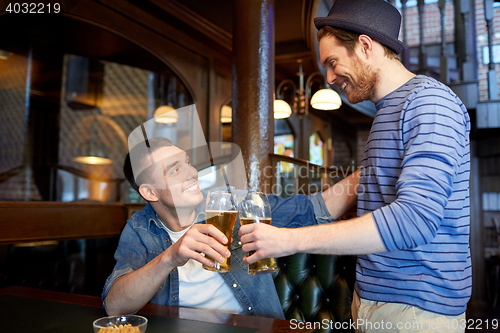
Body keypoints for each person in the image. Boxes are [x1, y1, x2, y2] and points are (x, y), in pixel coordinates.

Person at [239, 0, 471, 331]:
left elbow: (415, 220)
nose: (330, 77)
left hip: (416, 309)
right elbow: (360, 191)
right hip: (373, 301)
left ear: (364, 46)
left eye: (333, 63)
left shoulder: (429, 102)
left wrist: (289, 240)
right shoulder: (389, 110)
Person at [102, 136, 332, 319]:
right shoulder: (140, 229)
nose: (193, 173)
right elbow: (115, 306)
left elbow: (315, 209)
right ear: (149, 192)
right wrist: (170, 257)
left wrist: (367, 173)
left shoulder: (230, 204)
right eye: (174, 170)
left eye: (187, 163)